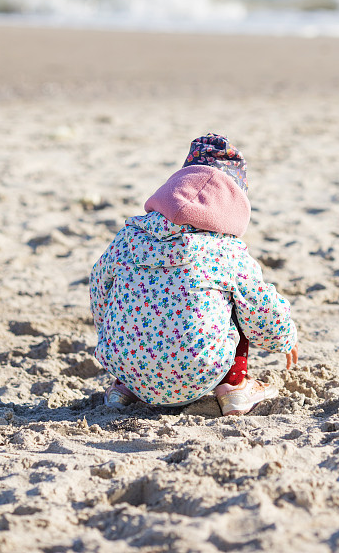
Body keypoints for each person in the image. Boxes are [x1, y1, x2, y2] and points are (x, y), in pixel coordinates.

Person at [89, 133, 298, 416]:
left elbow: (99, 284)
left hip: (124, 363)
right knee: (238, 301)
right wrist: (285, 337)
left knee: (132, 298)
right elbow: (262, 306)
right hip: (198, 372)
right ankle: (233, 387)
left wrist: (106, 328)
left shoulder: (129, 236)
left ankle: (122, 389)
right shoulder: (226, 251)